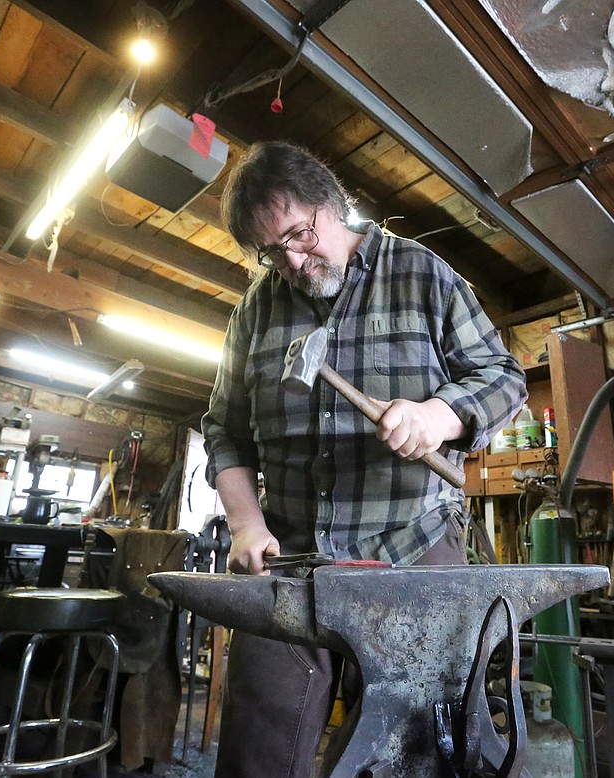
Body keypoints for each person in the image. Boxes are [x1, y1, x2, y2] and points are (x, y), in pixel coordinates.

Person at [201, 140, 527, 777]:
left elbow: (504, 376)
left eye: (300, 234)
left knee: (420, 749)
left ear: (332, 204)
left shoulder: (421, 274)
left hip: (412, 545)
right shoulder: (256, 310)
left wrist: (438, 416)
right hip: (290, 558)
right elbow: (224, 430)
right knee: (258, 748)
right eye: (272, 251)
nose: (292, 260)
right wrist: (245, 523)